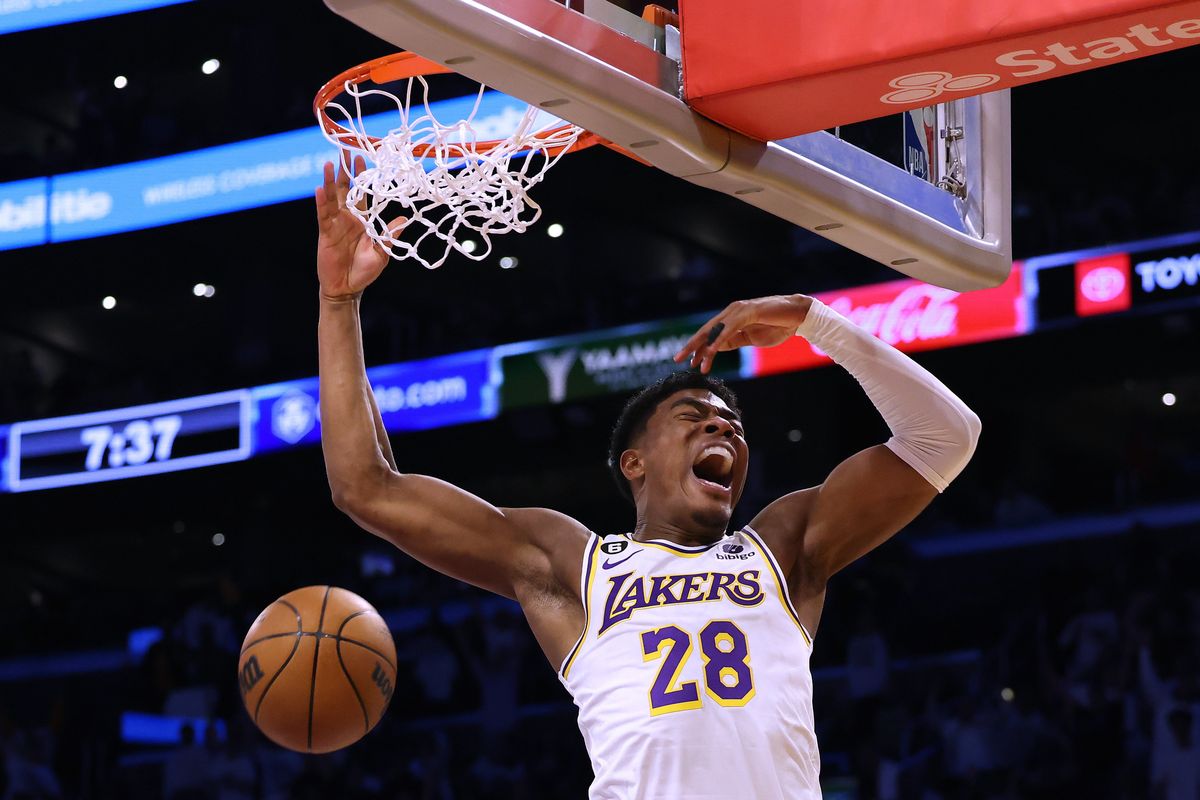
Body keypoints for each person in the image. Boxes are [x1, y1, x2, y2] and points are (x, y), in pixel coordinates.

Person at [315, 159, 981, 799]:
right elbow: (364, 487)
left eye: (732, 424)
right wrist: (339, 304)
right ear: (634, 463)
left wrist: (816, 319)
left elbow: (946, 437)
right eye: (696, 416)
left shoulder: (782, 549)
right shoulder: (574, 567)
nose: (724, 428)